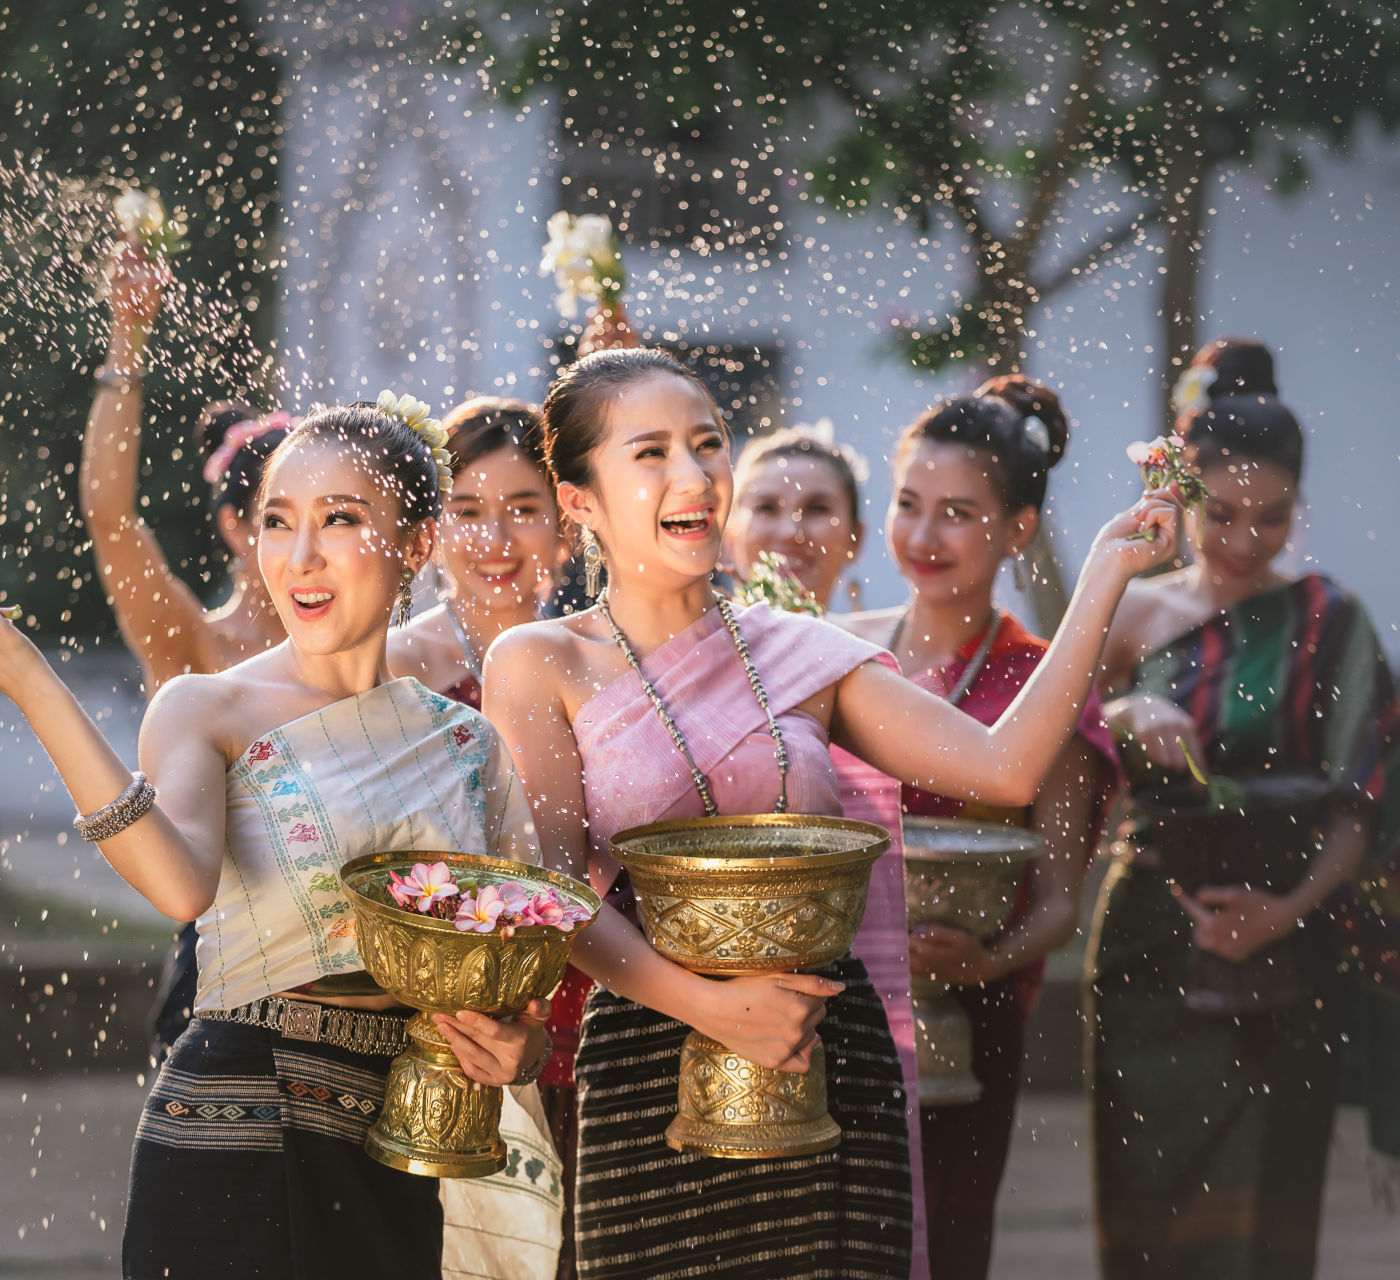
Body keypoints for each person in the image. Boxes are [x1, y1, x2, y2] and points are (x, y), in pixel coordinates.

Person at [480, 346, 1180, 1278]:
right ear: (579, 500)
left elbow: (1004, 768)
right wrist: (714, 1009)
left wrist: (1105, 572)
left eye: (708, 444)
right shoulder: (540, 662)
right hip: (650, 1052)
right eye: (650, 453)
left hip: (826, 1045)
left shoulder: (804, 652)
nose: (694, 476)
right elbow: (555, 892)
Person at [1, 395, 551, 1278]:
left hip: (401, 1138)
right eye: (278, 522)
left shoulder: (467, 742)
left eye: (341, 519)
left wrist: (524, 1045)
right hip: (234, 1122)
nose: (300, 557)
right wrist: (27, 679)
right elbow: (179, 885)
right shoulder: (205, 707)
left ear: (416, 545)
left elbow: (515, 963)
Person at [1088, 340, 1398, 1278]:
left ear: (1297, 510)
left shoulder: (1329, 620)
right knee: (1145, 1207)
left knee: (1269, 1215)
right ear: (1182, 497)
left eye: (1270, 519)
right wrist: (1120, 709)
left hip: (1287, 949)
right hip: (1148, 941)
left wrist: (1285, 911)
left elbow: (1362, 802)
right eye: (1220, 514)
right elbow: (1051, 742)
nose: (1243, 539)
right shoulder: (1128, 612)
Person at [841, 377, 1120, 1278]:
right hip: (829, 1001)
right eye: (908, 505)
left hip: (962, 1012)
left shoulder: (1040, 685)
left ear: (1018, 529)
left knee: (940, 1242)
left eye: (957, 513)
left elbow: (1059, 904)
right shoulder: (842, 651)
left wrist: (984, 962)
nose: (922, 537)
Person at [389, 395, 588, 1280]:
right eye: (467, 511)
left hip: (583, 994)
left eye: (522, 510)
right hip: (423, 1011)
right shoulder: (389, 669)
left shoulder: (601, 662)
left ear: (569, 526)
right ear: (431, 532)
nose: (494, 538)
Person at [81, 243, 291, 1058]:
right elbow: (110, 517)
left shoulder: (385, 646)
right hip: (225, 975)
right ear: (236, 527)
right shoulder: (197, 647)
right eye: (281, 512)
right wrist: (127, 341)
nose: (312, 536)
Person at [725, 424, 865, 609]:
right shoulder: (687, 637)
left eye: (817, 509)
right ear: (730, 536)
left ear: (854, 538)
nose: (790, 532)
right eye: (766, 508)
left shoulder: (880, 638)